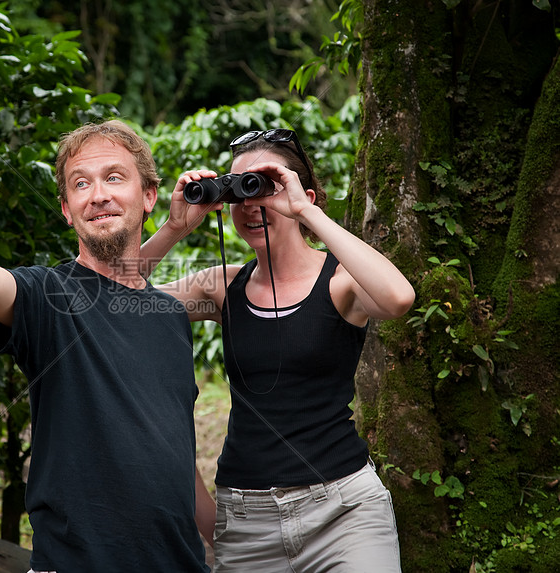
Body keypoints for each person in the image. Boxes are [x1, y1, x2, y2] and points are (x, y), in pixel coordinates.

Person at [0, 120, 210, 572]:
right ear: (68, 210)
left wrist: (230, 533)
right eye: (81, 184)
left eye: (114, 177)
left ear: (148, 196)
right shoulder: (48, 294)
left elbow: (176, 450)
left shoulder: (168, 317)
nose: (98, 194)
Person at [141, 128, 415, 572]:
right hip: (249, 522)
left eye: (263, 187)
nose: (250, 205)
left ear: (299, 193)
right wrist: (173, 228)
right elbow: (110, 301)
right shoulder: (221, 286)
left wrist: (307, 212)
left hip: (345, 513)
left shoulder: (342, 282)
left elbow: (399, 298)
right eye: (238, 191)